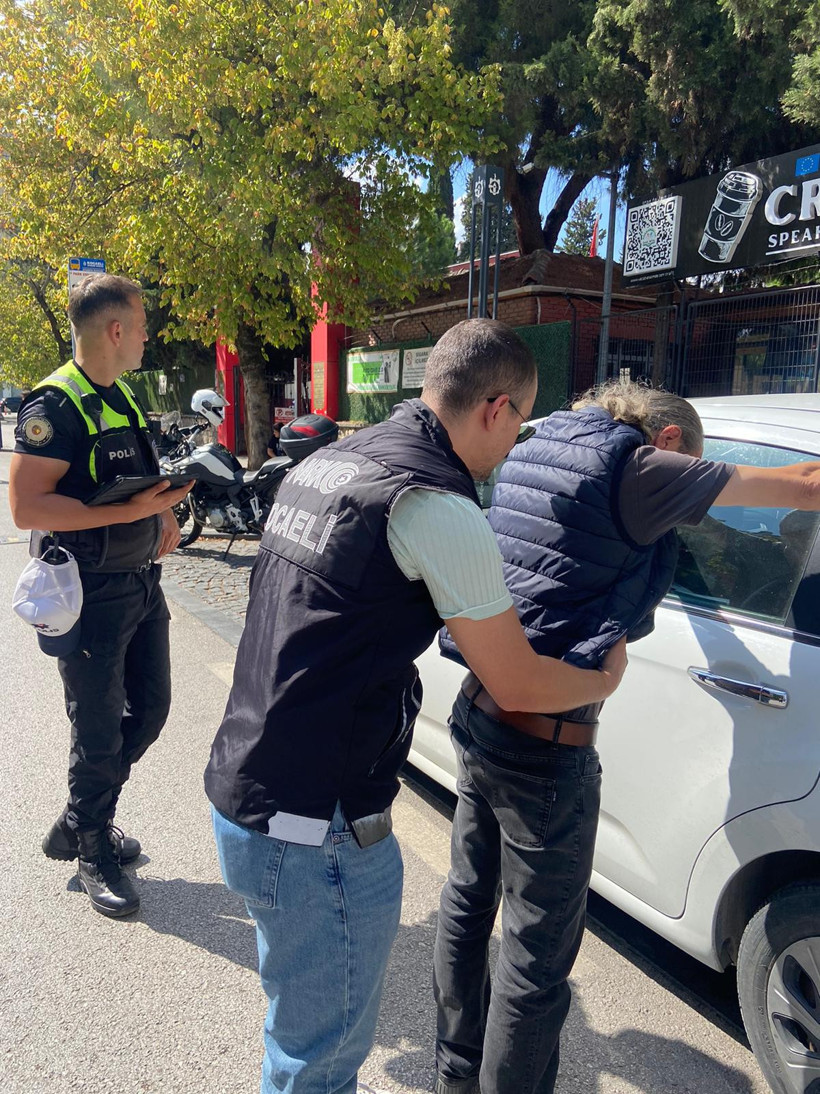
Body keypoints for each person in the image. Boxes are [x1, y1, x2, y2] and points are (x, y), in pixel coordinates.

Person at [204, 319, 629, 1094]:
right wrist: (601, 680)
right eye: (521, 423)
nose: (515, 447)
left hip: (246, 789)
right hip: (316, 829)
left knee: (295, 1036)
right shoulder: (435, 504)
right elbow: (521, 685)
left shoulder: (334, 461)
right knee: (319, 1063)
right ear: (496, 409)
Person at [432, 379, 820, 1094]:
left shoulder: (540, 441)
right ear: (669, 443)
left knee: (467, 901)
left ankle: (455, 1075)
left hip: (480, 712)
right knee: (534, 959)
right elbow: (806, 481)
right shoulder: (640, 469)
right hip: (546, 748)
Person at [8, 273, 192, 918]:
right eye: (142, 326)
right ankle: (92, 847)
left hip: (142, 581)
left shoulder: (120, 396)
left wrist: (161, 513)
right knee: (97, 727)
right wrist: (127, 515)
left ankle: (77, 818)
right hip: (88, 591)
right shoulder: (52, 405)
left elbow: (128, 485)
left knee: (153, 708)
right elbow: (27, 508)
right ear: (116, 330)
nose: (147, 337)